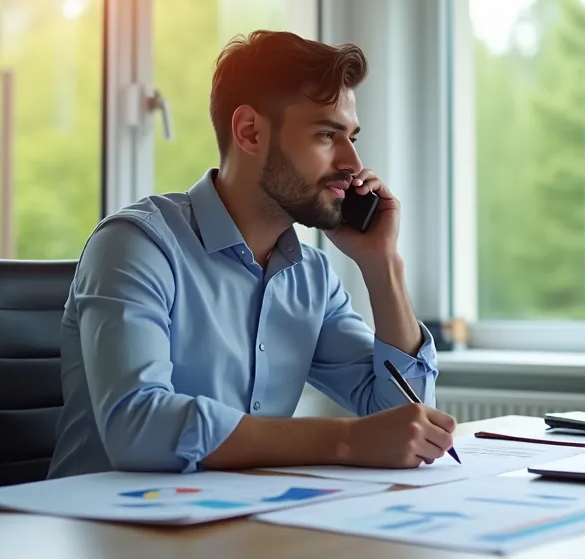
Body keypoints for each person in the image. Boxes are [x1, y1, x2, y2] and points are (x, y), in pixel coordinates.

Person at [46, 30, 455, 478]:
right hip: (107, 529)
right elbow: (139, 427)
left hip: (237, 521)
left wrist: (383, 266)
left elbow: (407, 417)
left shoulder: (311, 277)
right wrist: (346, 439)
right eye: (326, 134)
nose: (354, 164)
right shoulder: (136, 246)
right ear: (250, 132)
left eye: (352, 137)